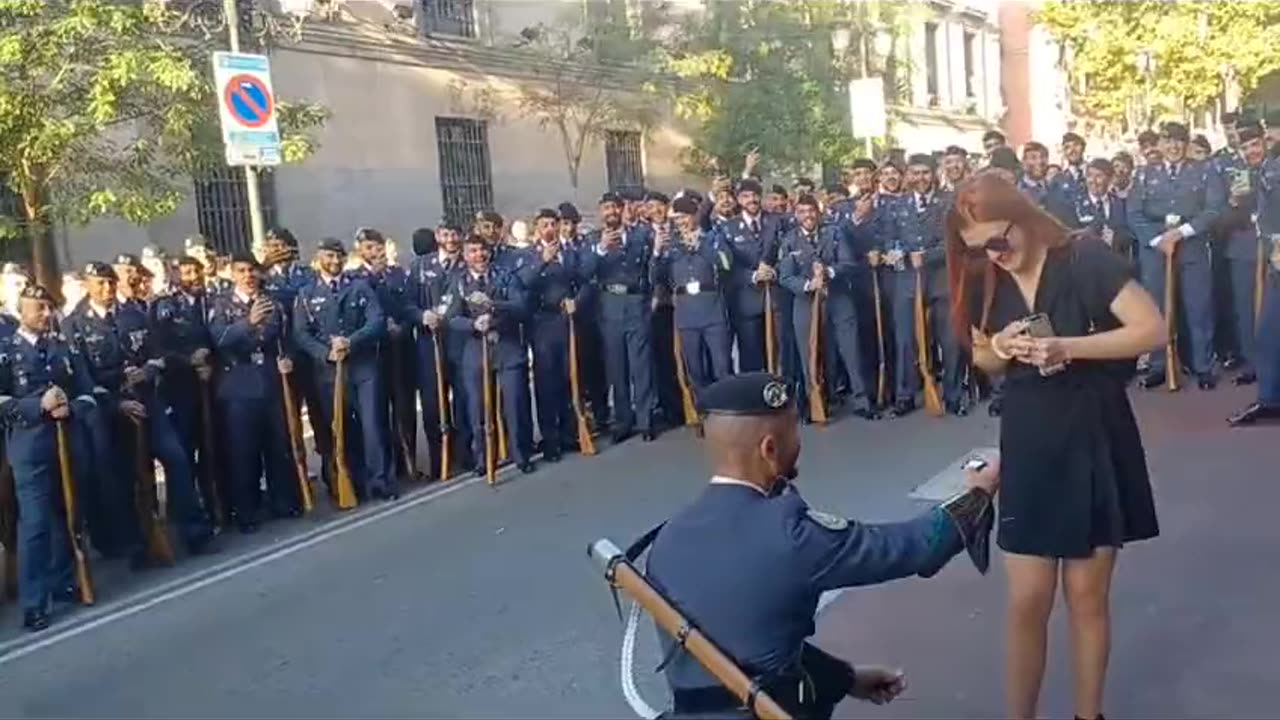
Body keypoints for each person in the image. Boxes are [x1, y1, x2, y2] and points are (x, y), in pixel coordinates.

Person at [642, 372, 999, 719]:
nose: (798, 443)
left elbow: (756, 649)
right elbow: (916, 547)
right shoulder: (790, 535)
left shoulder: (668, 538)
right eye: (794, 430)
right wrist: (977, 492)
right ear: (769, 448)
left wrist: (847, 679)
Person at [945, 173, 1163, 720]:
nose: (994, 256)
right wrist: (999, 345)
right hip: (1029, 437)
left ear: (1025, 217)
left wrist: (1069, 346)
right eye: (979, 249)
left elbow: (1151, 329)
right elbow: (983, 359)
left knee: (1087, 599)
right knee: (1026, 602)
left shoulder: (1084, 258)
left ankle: (1089, 716)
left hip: (1095, 431)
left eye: (999, 240)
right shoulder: (986, 278)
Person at [0, 284, 97, 631]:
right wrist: (36, 406)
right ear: (21, 311)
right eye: (37, 308)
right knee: (37, 524)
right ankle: (34, 601)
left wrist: (71, 407)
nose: (45, 314)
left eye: (48, 307)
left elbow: (89, 392)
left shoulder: (62, 347)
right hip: (30, 449)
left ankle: (65, 580)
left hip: (67, 442)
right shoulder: (6, 351)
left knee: (67, 515)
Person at [1127, 121, 1226, 390]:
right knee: (1158, 308)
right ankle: (1161, 365)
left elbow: (1214, 209)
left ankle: (1203, 365)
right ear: (1160, 144)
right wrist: (1159, 239)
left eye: (1179, 141)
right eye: (1168, 140)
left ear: (1186, 144)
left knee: (1199, 307)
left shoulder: (1205, 171)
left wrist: (1181, 232)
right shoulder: (1144, 175)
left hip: (1192, 247)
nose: (1173, 146)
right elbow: (1134, 214)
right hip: (1157, 251)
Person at [209, 253, 300, 529]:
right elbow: (220, 339)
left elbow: (287, 338)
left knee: (277, 444)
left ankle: (282, 501)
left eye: (252, 271)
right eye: (242, 271)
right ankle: (246, 511)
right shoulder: (222, 304)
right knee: (243, 451)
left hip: (270, 378)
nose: (248, 276)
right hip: (238, 382)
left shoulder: (272, 302)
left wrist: (289, 358)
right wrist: (248, 322)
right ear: (232, 274)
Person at [444, 234, 536, 475]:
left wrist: (494, 306)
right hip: (475, 350)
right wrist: (473, 325)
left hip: (507, 346)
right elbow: (451, 318)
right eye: (473, 251)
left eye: (482, 250)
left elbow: (521, 306)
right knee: (478, 408)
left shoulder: (505, 276)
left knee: (515, 404)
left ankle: (521, 454)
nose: (479, 255)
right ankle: (484, 458)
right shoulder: (459, 282)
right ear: (465, 256)